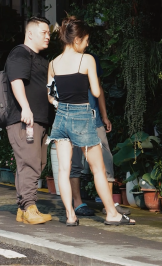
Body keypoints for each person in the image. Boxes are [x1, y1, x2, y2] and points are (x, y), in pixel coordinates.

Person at [47, 16, 135, 226]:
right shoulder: (86, 60)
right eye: (86, 40)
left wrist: (60, 105)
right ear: (77, 40)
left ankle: (70, 215)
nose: (87, 44)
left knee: (64, 170)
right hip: (82, 115)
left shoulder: (53, 63)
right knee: (98, 169)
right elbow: (95, 91)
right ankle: (112, 214)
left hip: (60, 119)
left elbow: (50, 95)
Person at [5, 16, 53, 225]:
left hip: (38, 120)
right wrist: (25, 108)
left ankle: (22, 209)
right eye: (44, 32)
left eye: (49, 33)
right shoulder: (20, 53)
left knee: (35, 163)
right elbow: (16, 81)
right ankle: (30, 207)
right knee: (30, 163)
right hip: (25, 120)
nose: (48, 36)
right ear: (30, 33)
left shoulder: (38, 57)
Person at [69, 54, 131, 217]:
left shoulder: (92, 59)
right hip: (74, 119)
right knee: (75, 162)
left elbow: (99, 89)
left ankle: (108, 204)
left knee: (106, 159)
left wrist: (104, 115)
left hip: (94, 118)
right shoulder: (64, 60)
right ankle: (77, 203)